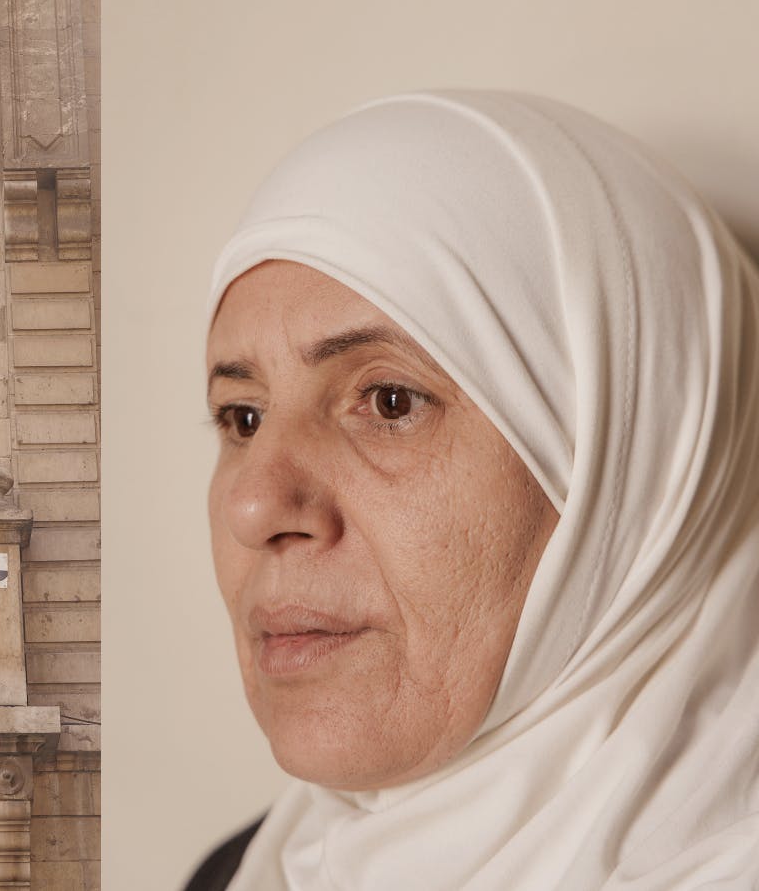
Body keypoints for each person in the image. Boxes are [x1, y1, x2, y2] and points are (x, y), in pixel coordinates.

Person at [190, 91, 759, 889]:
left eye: (389, 402)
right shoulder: (243, 872)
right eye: (241, 416)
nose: (255, 507)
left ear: (630, 478)